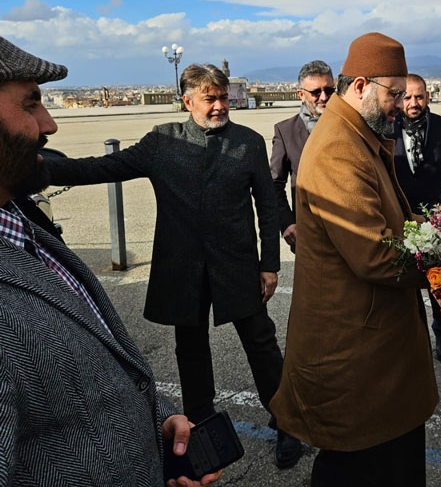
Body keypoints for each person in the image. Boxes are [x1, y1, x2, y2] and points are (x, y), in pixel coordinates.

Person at [46, 63, 301, 469]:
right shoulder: (162, 141)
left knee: (261, 343)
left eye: (223, 98)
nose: (220, 106)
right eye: (210, 99)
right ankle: (199, 424)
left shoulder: (248, 142)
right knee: (191, 349)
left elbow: (267, 210)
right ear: (187, 101)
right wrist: (38, 168)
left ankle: (287, 422)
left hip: (236, 265)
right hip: (183, 269)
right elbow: (99, 168)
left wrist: (269, 264)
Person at [0, 36, 219, 486]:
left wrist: (156, 424)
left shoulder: (25, 225)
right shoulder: (162, 142)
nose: (50, 123)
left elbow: (84, 382)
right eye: (31, 104)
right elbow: (98, 169)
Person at [270, 33, 438, 486]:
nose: (402, 105)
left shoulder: (358, 133)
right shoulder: (340, 147)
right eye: (395, 94)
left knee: (388, 460)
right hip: (357, 351)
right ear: (360, 85)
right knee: (360, 466)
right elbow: (377, 258)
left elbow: (395, 219)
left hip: (376, 343)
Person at [392, 73, 441, 362]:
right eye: (406, 97)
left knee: (437, 282)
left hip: (435, 220)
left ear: (428, 97)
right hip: (398, 218)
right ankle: (406, 339)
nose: (413, 103)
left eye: (419, 96)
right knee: (401, 283)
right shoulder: (385, 129)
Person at [270, 60, 335, 250]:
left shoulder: (351, 126)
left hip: (350, 234)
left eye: (329, 90)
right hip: (308, 236)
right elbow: (274, 183)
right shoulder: (285, 131)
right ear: (301, 94)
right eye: (315, 92)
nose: (323, 97)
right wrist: (287, 223)